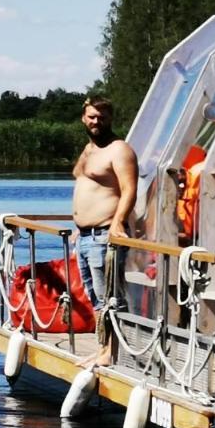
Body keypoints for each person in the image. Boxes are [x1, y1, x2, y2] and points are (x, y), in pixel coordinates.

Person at [72, 97, 137, 366]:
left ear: (111, 119)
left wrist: (118, 221)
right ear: (83, 118)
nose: (96, 122)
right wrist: (78, 225)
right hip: (85, 236)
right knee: (95, 298)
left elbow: (129, 189)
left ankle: (113, 352)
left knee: (110, 297)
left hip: (104, 236)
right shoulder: (88, 150)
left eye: (102, 117)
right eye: (91, 117)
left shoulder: (119, 149)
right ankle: (103, 349)